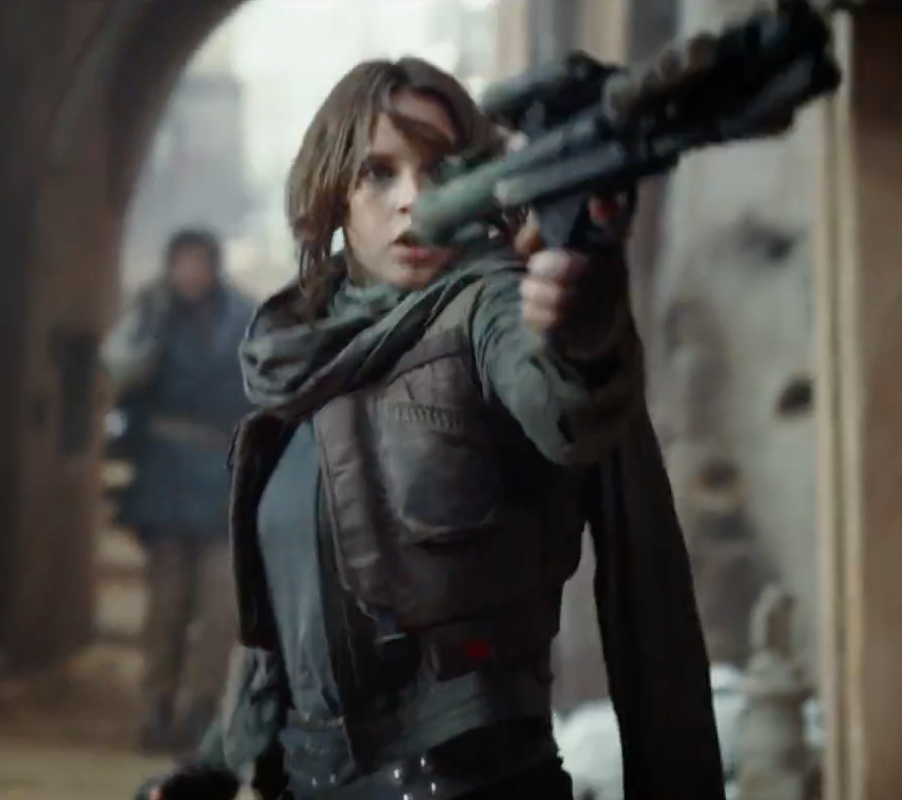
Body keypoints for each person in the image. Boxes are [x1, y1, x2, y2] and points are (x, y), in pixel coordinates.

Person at [139, 56, 723, 800]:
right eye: (378, 173)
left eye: (440, 170)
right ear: (334, 194)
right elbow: (285, 635)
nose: (413, 199)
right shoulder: (298, 364)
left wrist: (580, 319)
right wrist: (215, 767)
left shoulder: (489, 308)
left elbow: (568, 404)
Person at [102, 228, 256, 753]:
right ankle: (157, 707)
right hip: (165, 478)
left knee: (221, 610)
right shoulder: (152, 314)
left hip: (224, 478)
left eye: (199, 262)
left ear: (213, 266)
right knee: (166, 607)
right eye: (181, 262)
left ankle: (200, 711)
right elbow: (119, 371)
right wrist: (150, 330)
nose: (190, 272)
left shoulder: (243, 319)